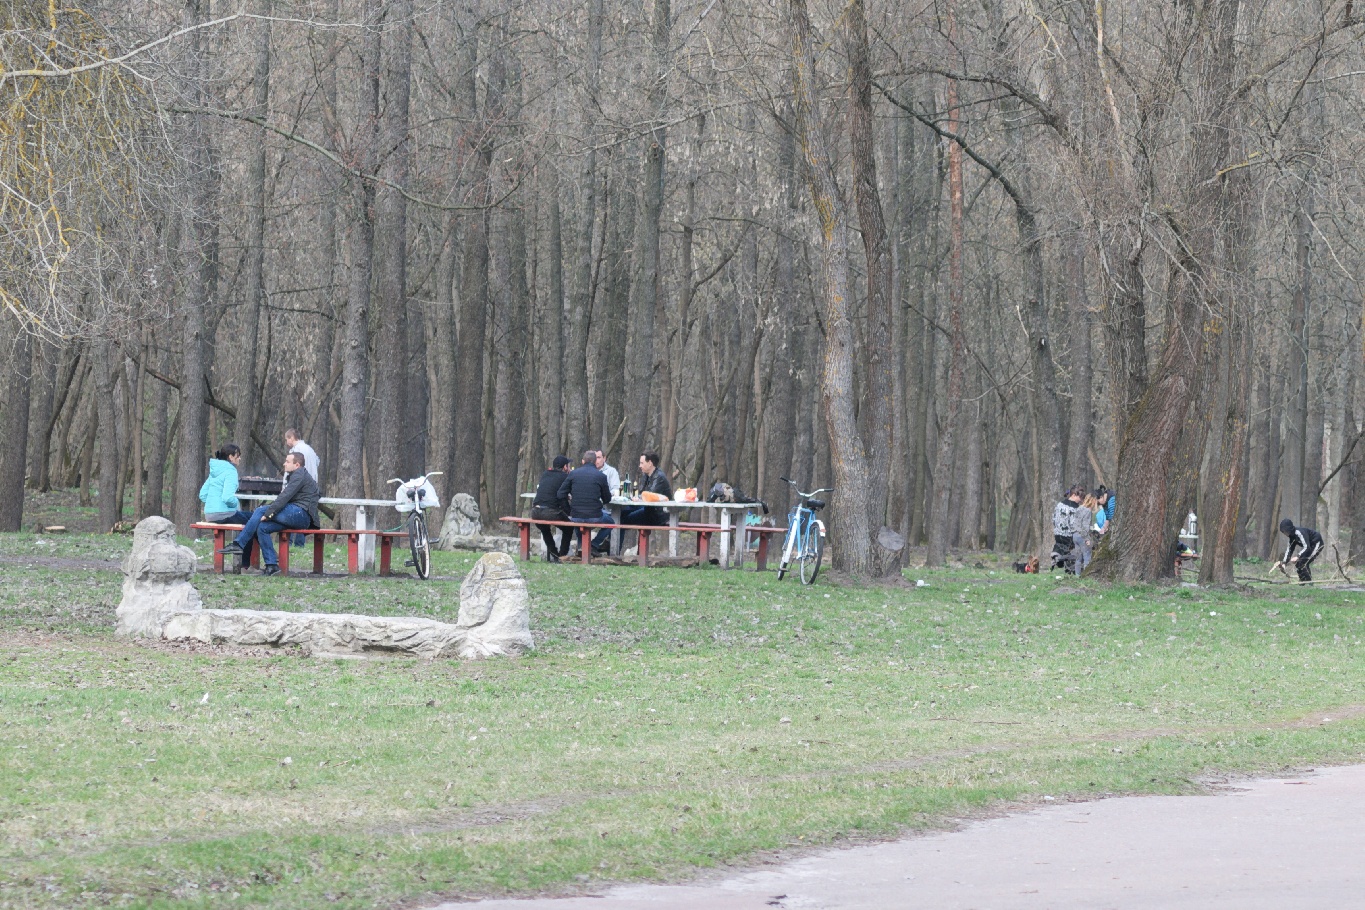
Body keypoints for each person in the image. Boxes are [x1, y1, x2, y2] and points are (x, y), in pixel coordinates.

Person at [217, 452, 320, 575]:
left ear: (297, 465)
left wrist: (269, 514)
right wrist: (269, 513)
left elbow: (284, 497)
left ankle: (239, 544)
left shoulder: (299, 475)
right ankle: (272, 566)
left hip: (301, 514)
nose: (284, 464)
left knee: (260, 510)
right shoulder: (297, 475)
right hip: (296, 514)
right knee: (262, 528)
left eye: (287, 462)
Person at [557, 449, 613, 556]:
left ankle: (581, 546)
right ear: (595, 461)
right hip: (595, 516)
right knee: (610, 522)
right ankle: (593, 545)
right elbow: (607, 499)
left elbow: (560, 494)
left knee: (578, 520)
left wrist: (568, 510)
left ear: (583, 461)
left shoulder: (573, 474)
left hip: (576, 515)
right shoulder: (601, 476)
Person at [531, 455, 574, 563]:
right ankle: (562, 556)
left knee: (544, 529)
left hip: (535, 511)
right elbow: (562, 497)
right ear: (565, 467)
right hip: (550, 512)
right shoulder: (565, 477)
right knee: (569, 528)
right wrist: (569, 512)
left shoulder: (545, 474)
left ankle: (554, 554)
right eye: (568, 465)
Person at [198, 444, 251, 525]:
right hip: (225, 514)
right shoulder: (231, 471)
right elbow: (228, 498)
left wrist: (213, 505)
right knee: (254, 521)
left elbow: (202, 495)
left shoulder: (214, 471)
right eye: (238, 456)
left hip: (209, 515)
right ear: (231, 457)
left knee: (250, 516)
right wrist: (236, 503)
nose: (240, 458)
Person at [621, 451, 673, 527]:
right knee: (622, 512)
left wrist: (638, 497)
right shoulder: (646, 475)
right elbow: (641, 493)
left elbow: (649, 497)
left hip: (658, 514)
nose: (640, 466)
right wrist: (636, 497)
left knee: (623, 520)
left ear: (650, 463)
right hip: (648, 509)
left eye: (642, 463)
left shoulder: (659, 477)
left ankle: (615, 534)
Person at [1275, 518, 1323, 583]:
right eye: (1283, 532)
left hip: (1317, 543)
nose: (1284, 533)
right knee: (1299, 562)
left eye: (1285, 531)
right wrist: (1284, 563)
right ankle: (1302, 581)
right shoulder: (1291, 538)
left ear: (1289, 529)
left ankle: (1308, 582)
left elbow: (1307, 547)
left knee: (1305, 561)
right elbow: (1289, 550)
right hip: (1309, 546)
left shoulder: (1299, 533)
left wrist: (1298, 556)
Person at [1051, 485, 1082, 572]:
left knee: (1061, 546)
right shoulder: (1075, 508)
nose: (1081, 499)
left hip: (1058, 534)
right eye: (1080, 497)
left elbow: (1053, 518)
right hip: (1068, 535)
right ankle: (1070, 566)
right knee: (1078, 547)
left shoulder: (1059, 504)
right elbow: (1074, 524)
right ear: (1074, 495)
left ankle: (1057, 554)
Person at [1073, 492, 1098, 572]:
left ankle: (1077, 575)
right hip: (1082, 536)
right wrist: (1087, 539)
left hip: (1075, 535)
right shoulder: (1088, 511)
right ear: (1092, 501)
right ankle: (1087, 575)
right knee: (1087, 557)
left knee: (1078, 558)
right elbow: (1085, 526)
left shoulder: (1079, 508)